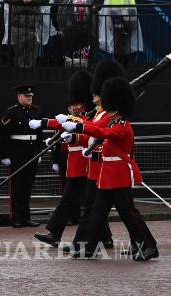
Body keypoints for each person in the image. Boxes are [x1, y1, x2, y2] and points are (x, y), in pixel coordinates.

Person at [61, 75, 158, 261]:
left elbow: (101, 132)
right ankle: (89, 247)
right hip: (107, 175)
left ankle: (148, 246)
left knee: (129, 214)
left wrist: (78, 126)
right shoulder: (114, 121)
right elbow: (99, 132)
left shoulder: (122, 126)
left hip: (119, 175)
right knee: (98, 212)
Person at [33, 71, 93, 247]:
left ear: (83, 103)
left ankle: (55, 233)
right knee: (76, 202)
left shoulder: (87, 118)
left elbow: (86, 133)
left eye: (77, 104)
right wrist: (42, 123)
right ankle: (55, 233)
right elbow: (59, 123)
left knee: (86, 204)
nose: (74, 107)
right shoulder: (76, 117)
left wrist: (72, 137)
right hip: (74, 165)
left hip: (86, 164)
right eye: (72, 104)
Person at [0, 84, 42, 228]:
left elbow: (39, 134)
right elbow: (3, 135)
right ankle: (16, 217)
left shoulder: (36, 111)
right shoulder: (11, 112)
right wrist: (4, 155)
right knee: (17, 187)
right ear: (19, 96)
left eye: (30, 96)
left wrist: (39, 151)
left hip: (32, 152)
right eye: (26, 96)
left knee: (28, 187)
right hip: (17, 153)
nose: (29, 98)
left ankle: (26, 216)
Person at [0, 0, 51, 67]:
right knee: (19, 51)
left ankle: (30, 74)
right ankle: (20, 74)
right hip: (16, 23)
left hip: (33, 23)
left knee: (32, 51)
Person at [99, 0, 140, 67]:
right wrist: (121, 27)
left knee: (124, 56)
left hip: (126, 28)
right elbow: (116, 10)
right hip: (121, 30)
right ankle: (119, 77)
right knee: (121, 57)